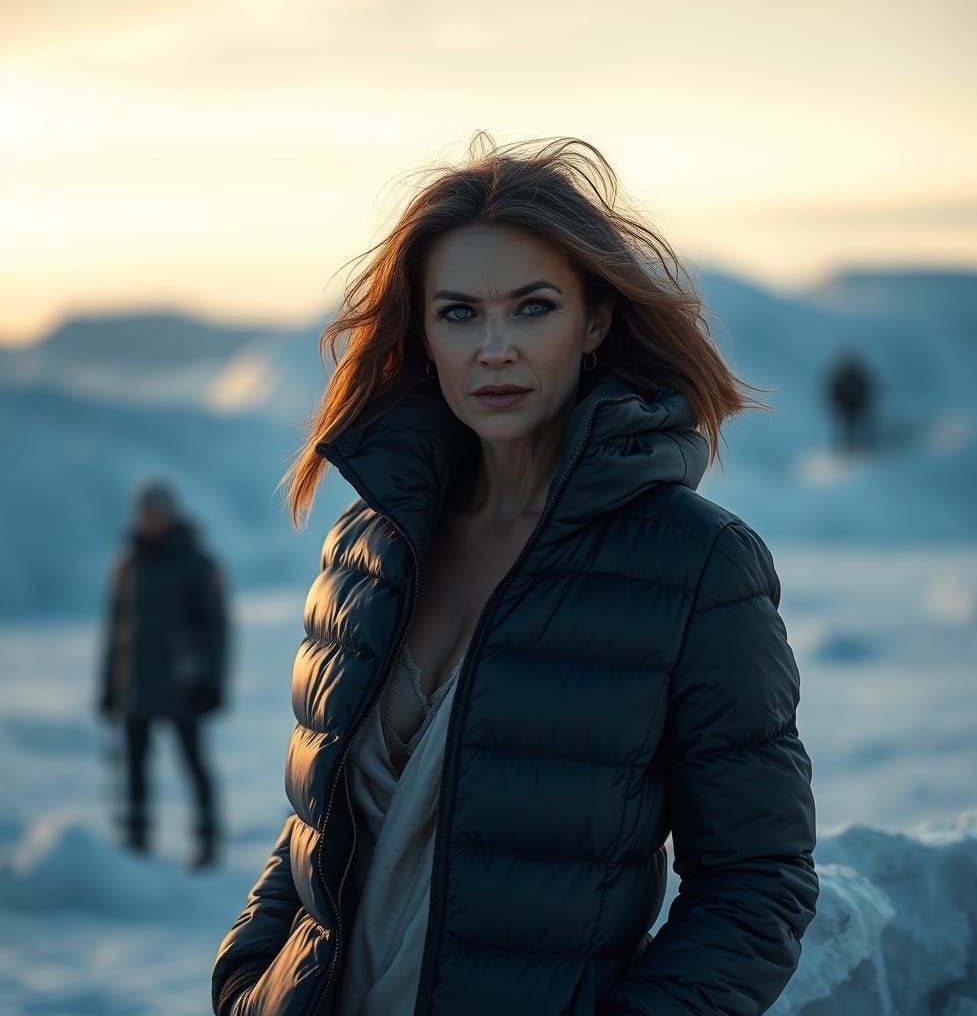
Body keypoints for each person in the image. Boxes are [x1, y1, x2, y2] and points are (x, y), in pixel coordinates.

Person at [210, 133, 819, 1016]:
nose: (494, 347)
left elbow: (758, 883)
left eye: (532, 308)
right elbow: (322, 822)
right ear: (421, 333)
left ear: (596, 320)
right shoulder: (367, 549)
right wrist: (245, 982)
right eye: (459, 313)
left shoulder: (694, 566)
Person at [97, 477, 229, 869]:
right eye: (144, 512)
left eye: (155, 512)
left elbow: (216, 628)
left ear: (170, 515)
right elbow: (115, 629)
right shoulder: (128, 562)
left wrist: (210, 682)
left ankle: (207, 837)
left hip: (181, 686)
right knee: (135, 765)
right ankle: (137, 841)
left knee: (192, 760)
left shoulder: (196, 562)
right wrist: (109, 686)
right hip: (135, 685)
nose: (149, 519)